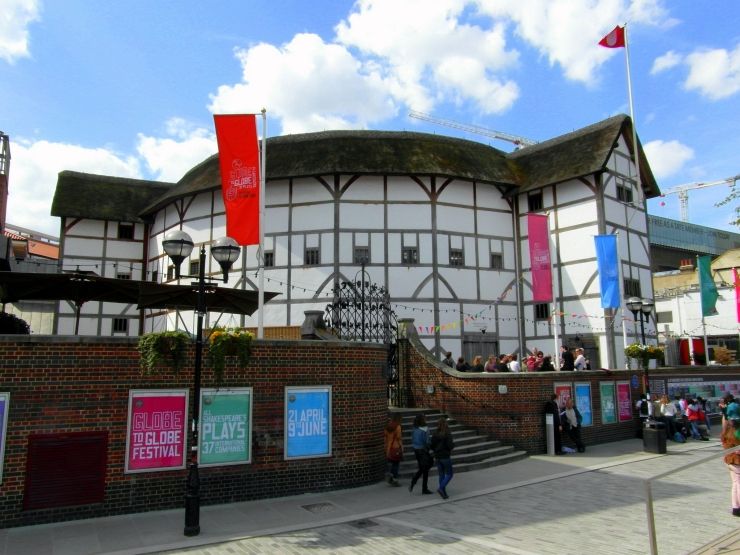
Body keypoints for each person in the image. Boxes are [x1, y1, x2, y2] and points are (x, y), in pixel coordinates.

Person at [408, 414, 434, 495]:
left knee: (423, 468)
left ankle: (421, 486)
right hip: (423, 450)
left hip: (416, 450)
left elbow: (413, 439)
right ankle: (420, 485)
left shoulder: (414, 428)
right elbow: (427, 441)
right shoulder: (425, 429)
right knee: (427, 466)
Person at [720, 414, 740, 517]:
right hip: (737, 461)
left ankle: (736, 508)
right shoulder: (737, 433)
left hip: (729, 460)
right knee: (738, 484)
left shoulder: (725, 432)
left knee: (735, 484)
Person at [430, 418, 454, 499]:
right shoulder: (447, 433)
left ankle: (443, 493)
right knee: (449, 474)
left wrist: (435, 450)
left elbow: (431, 445)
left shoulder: (435, 433)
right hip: (445, 456)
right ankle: (441, 488)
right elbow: (450, 445)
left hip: (437, 456)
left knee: (441, 474)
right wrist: (453, 445)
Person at [384, 413, 403, 486]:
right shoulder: (398, 427)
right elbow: (399, 438)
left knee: (393, 463)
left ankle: (391, 476)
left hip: (389, 447)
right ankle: (394, 478)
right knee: (396, 464)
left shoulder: (387, 426)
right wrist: (401, 447)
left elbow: (385, 437)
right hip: (396, 447)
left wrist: (386, 447)